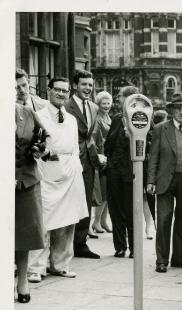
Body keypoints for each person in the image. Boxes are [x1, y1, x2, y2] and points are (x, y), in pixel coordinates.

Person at [27, 77, 88, 281]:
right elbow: (34, 147)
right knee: (43, 221)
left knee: (67, 221)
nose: (61, 94)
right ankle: (36, 267)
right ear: (49, 90)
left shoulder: (70, 119)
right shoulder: (39, 116)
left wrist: (76, 169)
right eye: (57, 90)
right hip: (47, 172)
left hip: (71, 172)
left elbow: (74, 148)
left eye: (65, 91)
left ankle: (60, 264)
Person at [146, 92, 182, 272]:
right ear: (171, 110)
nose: (181, 112)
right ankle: (161, 260)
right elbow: (153, 156)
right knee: (164, 220)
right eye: (177, 108)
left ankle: (180, 258)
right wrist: (151, 180)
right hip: (165, 180)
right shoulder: (160, 129)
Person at [64, 69, 102, 259]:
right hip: (69, 161)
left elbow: (91, 138)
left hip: (88, 163)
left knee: (85, 201)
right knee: (67, 202)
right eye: (84, 84)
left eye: (90, 84)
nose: (88, 88)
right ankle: (63, 246)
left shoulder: (94, 108)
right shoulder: (65, 106)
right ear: (74, 86)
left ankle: (80, 244)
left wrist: (97, 159)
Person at [103, 85, 143, 258]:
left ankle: (135, 247)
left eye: (120, 96)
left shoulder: (141, 118)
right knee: (115, 210)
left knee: (131, 211)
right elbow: (108, 145)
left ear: (129, 98)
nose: (117, 99)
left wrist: (131, 137)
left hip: (131, 172)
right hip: (114, 171)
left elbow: (145, 143)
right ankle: (120, 246)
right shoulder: (117, 119)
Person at [15, 102, 45, 302]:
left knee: (24, 233)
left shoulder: (26, 112)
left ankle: (22, 280)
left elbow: (44, 137)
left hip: (26, 180)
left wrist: (39, 149)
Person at [89, 90, 112, 236]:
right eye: (103, 103)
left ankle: (103, 221)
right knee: (102, 192)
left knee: (108, 192)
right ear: (98, 104)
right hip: (101, 158)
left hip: (109, 157)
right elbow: (95, 138)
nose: (106, 106)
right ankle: (96, 221)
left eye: (108, 103)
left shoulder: (108, 117)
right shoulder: (97, 118)